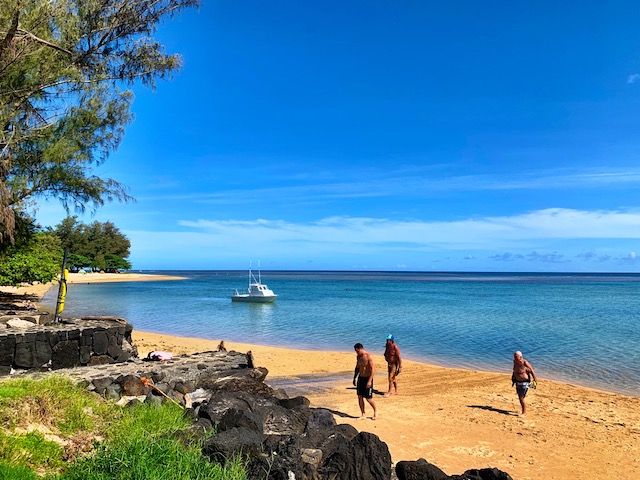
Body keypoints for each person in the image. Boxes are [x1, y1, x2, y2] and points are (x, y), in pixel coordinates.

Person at [353, 342, 378, 420]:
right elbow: (357, 368)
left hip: (367, 378)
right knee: (360, 397)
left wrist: (369, 381)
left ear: (361, 349)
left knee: (368, 398)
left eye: (357, 351)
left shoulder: (368, 356)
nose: (357, 353)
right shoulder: (358, 357)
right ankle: (363, 414)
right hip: (361, 378)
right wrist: (354, 378)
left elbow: (373, 369)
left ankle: (376, 411)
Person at [512, 350, 538, 417]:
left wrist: (535, 381)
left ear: (520, 356)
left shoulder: (525, 362)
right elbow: (514, 370)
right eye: (514, 356)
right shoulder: (515, 361)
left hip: (524, 383)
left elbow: (532, 371)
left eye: (516, 356)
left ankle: (524, 412)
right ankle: (523, 410)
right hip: (517, 382)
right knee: (520, 397)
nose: (515, 357)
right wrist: (513, 378)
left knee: (521, 398)